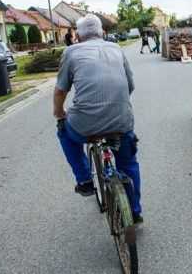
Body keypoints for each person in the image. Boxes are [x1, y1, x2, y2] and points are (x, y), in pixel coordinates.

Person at [53, 14, 142, 223]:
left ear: (78, 36)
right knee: (128, 163)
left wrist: (59, 113)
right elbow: (131, 85)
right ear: (102, 33)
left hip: (84, 125)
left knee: (64, 131)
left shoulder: (71, 52)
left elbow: (60, 91)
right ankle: (135, 212)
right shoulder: (116, 49)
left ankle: (84, 180)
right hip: (121, 120)